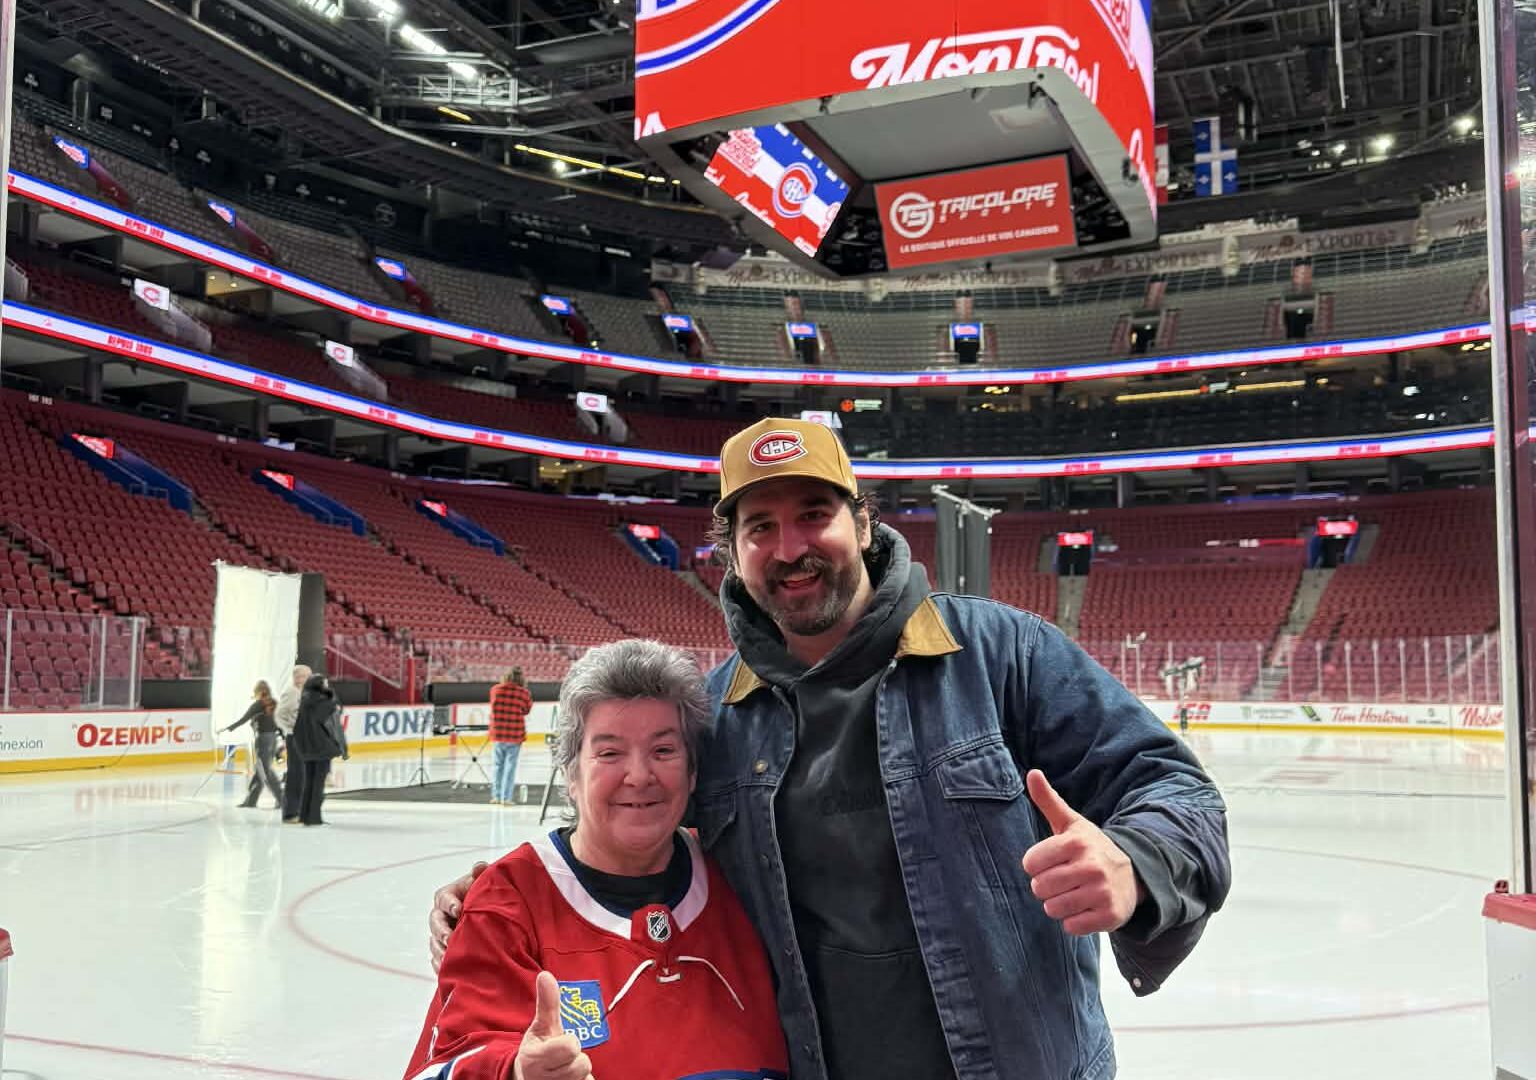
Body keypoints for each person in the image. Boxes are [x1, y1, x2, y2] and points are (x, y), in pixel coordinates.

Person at [431, 417, 1231, 1080]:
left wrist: (1133, 862)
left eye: (814, 513)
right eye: (760, 527)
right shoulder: (715, 713)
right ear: (733, 554)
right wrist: (505, 897)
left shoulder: (999, 654)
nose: (790, 549)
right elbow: (648, 852)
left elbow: (1176, 791)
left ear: (864, 522)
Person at [403, 639, 787, 1080]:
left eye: (664, 750)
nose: (639, 776)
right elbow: (451, 1058)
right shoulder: (508, 904)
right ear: (570, 773)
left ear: (693, 771)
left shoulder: (741, 869)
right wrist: (514, 1073)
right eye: (609, 752)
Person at [290, 672, 343, 827]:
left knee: (309, 782)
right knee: (318, 784)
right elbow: (334, 724)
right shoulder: (326, 702)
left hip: (307, 748)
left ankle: (305, 815)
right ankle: (314, 818)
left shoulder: (304, 701)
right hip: (321, 748)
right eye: (325, 684)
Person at [220, 680, 283, 809]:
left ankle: (282, 799)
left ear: (258, 692)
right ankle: (251, 800)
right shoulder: (275, 703)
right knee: (260, 770)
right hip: (273, 739)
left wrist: (228, 729)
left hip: (263, 739)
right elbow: (279, 721)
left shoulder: (258, 704)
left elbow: (244, 719)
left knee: (264, 770)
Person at [488, 667, 531, 806]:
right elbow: (526, 710)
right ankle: (506, 798)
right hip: (515, 734)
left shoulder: (495, 690)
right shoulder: (524, 693)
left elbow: (493, 706)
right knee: (510, 766)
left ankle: (496, 796)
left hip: (498, 733)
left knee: (497, 766)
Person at [276, 663, 312, 823]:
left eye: (304, 676)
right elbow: (279, 714)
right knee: (296, 774)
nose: (301, 679)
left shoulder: (307, 692)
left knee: (303, 774)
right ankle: (290, 812)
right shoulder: (291, 693)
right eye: (298, 676)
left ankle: (300, 810)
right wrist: (288, 730)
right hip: (295, 737)